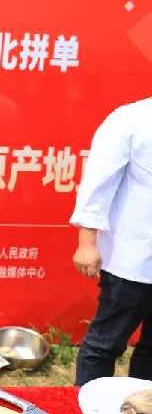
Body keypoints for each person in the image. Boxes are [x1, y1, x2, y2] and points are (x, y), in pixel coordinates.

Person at [70, 97, 152, 386]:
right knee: (105, 344)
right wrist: (87, 242)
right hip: (132, 260)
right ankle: (86, 402)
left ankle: (143, 403)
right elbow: (98, 182)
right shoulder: (131, 119)